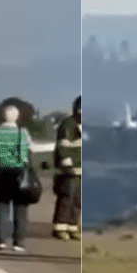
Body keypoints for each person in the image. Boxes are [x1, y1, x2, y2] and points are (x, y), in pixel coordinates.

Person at [0, 103, 33, 252]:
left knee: (1, 207)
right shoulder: (23, 133)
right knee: (20, 208)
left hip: (2, 173)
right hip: (19, 173)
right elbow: (30, 152)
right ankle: (19, 242)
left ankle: (0, 240)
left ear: (2, 117)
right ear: (17, 117)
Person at [51, 95, 82, 240]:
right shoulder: (68, 124)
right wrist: (68, 167)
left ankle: (72, 226)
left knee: (78, 200)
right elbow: (63, 148)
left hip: (81, 170)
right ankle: (60, 227)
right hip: (68, 171)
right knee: (66, 198)